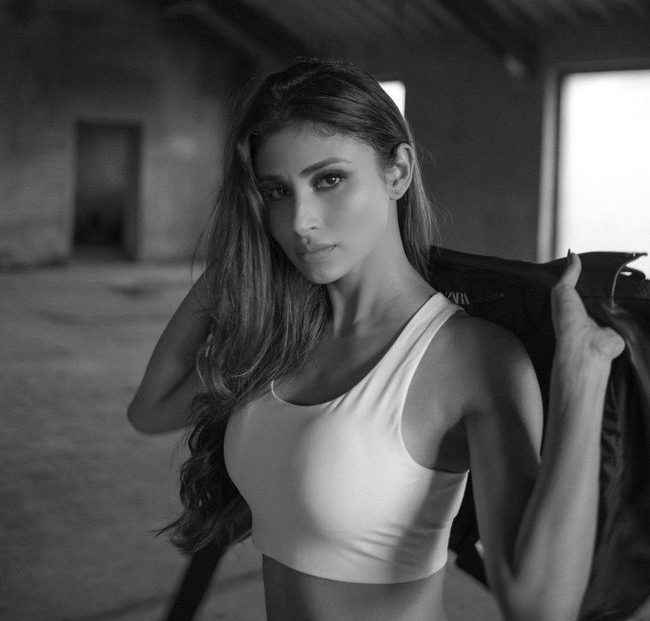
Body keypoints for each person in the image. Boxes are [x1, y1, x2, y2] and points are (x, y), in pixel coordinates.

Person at [127, 57, 624, 621]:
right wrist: (233, 268)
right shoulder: (281, 336)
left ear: (398, 172)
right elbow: (151, 410)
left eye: (329, 180)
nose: (301, 221)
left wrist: (584, 379)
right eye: (277, 191)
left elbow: (539, 605)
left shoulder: (470, 358)